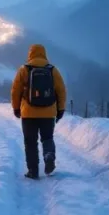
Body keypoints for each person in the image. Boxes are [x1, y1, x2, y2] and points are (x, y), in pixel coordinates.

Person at [10, 44, 67, 179]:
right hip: (48, 113)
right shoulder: (52, 70)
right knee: (47, 138)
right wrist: (60, 109)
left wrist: (16, 108)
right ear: (44, 54)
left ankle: (33, 170)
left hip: (28, 114)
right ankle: (48, 155)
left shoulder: (24, 69)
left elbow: (15, 91)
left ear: (30, 54)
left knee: (30, 142)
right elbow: (61, 91)